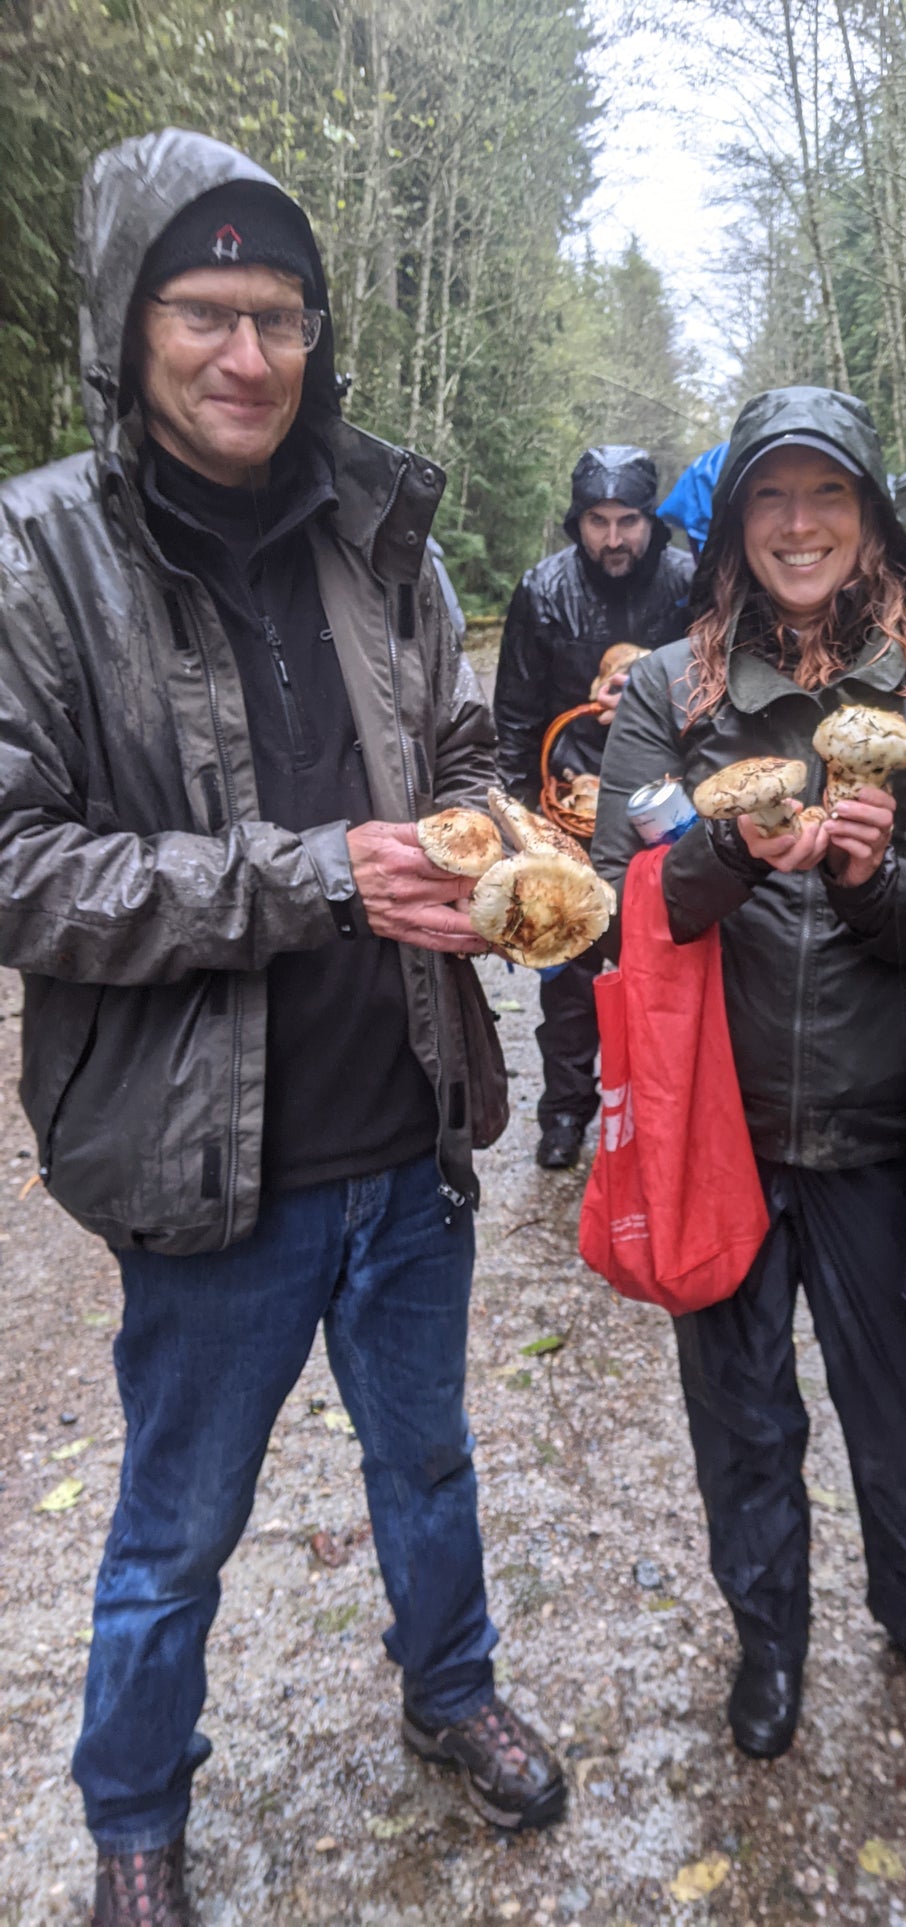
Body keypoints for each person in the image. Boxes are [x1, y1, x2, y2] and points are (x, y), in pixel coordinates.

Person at [0, 129, 566, 1927]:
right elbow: (21, 865)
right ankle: (132, 1819)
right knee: (173, 1529)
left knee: (432, 1456)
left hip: (409, 1119)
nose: (251, 354)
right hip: (208, 1157)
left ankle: (452, 1689)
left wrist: (511, 845)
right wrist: (309, 872)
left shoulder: (377, 536)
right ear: (129, 323)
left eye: (282, 316)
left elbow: (458, 753)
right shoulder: (38, 558)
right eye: (208, 311)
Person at [592, 387, 906, 1761]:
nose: (798, 525)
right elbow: (620, 904)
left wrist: (869, 878)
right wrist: (725, 854)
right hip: (716, 1126)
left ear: (871, 516)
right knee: (740, 1411)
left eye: (825, 494)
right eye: (771, 498)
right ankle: (768, 1637)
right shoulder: (670, 687)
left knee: (898, 1404)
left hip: (880, 1119)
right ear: (732, 530)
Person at [493, 446, 694, 1169]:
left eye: (629, 520)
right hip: (566, 803)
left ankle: (658, 1118)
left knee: (667, 967)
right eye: (598, 521)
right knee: (570, 977)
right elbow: (515, 716)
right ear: (576, 521)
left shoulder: (686, 583)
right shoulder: (543, 588)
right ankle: (564, 1113)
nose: (614, 538)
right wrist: (520, 826)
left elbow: (719, 693)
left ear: (651, 520)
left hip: (666, 802)